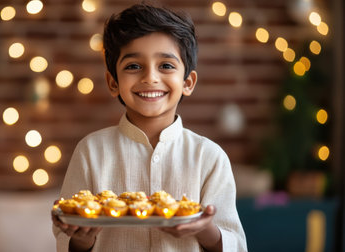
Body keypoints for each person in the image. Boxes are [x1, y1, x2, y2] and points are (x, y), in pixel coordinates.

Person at [52, 3, 247, 252]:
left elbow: (237, 245)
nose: (150, 78)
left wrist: (203, 228)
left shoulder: (209, 157)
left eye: (166, 65)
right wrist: (82, 238)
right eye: (133, 66)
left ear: (188, 82)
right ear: (113, 82)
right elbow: (65, 242)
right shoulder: (90, 151)